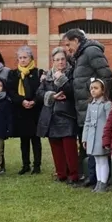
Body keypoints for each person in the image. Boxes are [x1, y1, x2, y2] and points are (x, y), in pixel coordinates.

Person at [63, 28, 112, 188]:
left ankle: (101, 179)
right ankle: (92, 177)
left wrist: (100, 98)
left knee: (99, 144)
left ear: (76, 41)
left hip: (95, 108)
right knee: (88, 144)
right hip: (85, 108)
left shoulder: (91, 51)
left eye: (68, 44)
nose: (67, 49)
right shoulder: (79, 56)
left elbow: (106, 76)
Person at [37, 47, 80, 185]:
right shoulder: (47, 76)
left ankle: (73, 175)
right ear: (53, 61)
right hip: (51, 116)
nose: (60, 62)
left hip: (67, 115)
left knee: (70, 148)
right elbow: (39, 93)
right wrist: (51, 96)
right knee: (56, 148)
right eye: (57, 60)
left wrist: (61, 79)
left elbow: (72, 92)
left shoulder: (72, 73)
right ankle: (61, 174)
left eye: (62, 59)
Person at [7, 46, 43, 175]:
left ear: (31, 58)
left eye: (25, 57)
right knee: (24, 140)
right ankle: (25, 165)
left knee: (35, 139)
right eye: (20, 58)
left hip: (34, 110)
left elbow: (41, 90)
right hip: (21, 111)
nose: (22, 60)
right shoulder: (13, 74)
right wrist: (22, 101)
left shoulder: (38, 73)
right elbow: (11, 91)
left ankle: (37, 166)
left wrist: (34, 101)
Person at [82, 78, 112, 192]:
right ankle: (98, 183)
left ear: (103, 90)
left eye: (96, 88)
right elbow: (87, 122)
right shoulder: (91, 104)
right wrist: (85, 138)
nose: (93, 90)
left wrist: (108, 138)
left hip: (102, 137)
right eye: (91, 88)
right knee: (97, 160)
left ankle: (103, 183)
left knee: (103, 160)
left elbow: (110, 122)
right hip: (92, 137)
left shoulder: (107, 104)